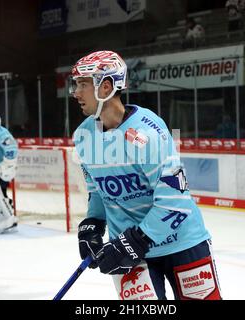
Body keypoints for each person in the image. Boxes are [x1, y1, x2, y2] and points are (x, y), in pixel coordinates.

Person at [71, 51, 221, 300]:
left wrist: (139, 238)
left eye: (82, 84)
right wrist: (93, 224)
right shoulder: (83, 136)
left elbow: (175, 199)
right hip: (129, 253)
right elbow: (97, 189)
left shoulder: (147, 132)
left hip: (182, 243)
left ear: (105, 87)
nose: (76, 93)